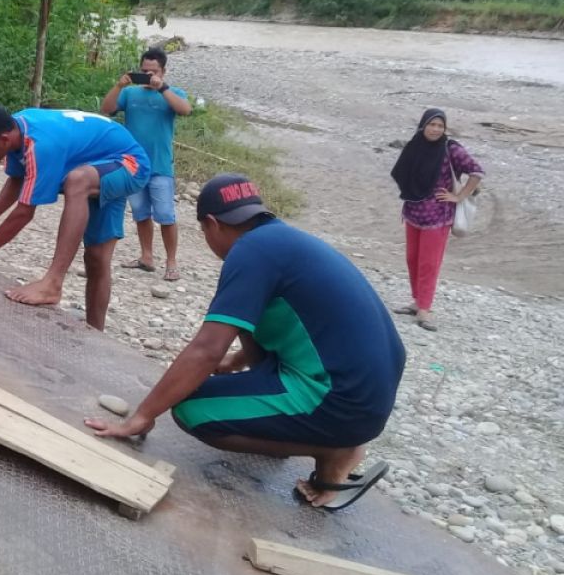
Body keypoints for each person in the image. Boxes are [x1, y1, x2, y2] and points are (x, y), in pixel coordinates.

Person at [85, 174, 406, 511]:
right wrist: (238, 361)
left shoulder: (249, 252)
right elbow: (268, 325)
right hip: (371, 389)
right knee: (242, 327)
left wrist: (142, 416)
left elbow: (207, 349)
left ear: (211, 224)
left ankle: (335, 449)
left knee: (191, 409)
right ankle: (321, 432)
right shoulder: (281, 240)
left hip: (342, 399)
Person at [0, 101, 150, 331]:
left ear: (3, 140)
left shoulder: (41, 144)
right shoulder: (16, 128)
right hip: (101, 163)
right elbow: (18, 179)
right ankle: (95, 334)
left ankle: (53, 283)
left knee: (77, 181)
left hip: (129, 163)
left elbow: (24, 213)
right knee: (97, 257)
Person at [100, 47, 191, 280]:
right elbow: (106, 109)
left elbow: (185, 110)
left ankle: (172, 262)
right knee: (140, 213)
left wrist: (162, 88)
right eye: (144, 71)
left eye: (154, 72)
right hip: (134, 164)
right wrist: (119, 85)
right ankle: (146, 256)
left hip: (160, 165)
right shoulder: (130, 94)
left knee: (165, 215)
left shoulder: (173, 93)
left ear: (164, 71)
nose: (149, 75)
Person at [389, 108, 484, 332]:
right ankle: (416, 301)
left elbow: (476, 172)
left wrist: (459, 196)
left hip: (438, 217)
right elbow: (402, 172)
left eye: (440, 126)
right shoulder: (415, 145)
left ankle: (425, 309)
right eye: (432, 125)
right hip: (413, 212)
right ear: (423, 125)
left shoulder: (450, 149)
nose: (435, 129)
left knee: (429, 264)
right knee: (413, 259)